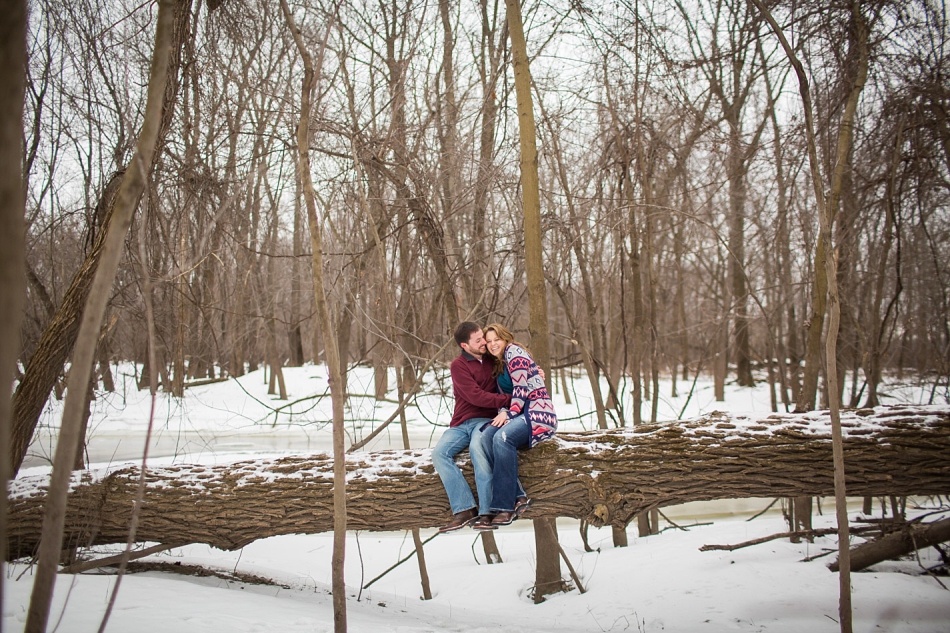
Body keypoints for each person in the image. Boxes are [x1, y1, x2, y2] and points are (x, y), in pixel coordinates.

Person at [432, 321, 512, 533]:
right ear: (465, 346)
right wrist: (509, 399)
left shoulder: (493, 360)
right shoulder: (458, 366)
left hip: (485, 421)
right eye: (478, 340)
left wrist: (534, 373)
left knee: (478, 449)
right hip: (460, 423)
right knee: (439, 454)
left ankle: (487, 511)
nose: (484, 342)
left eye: (482, 337)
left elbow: (517, 369)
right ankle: (465, 508)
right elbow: (475, 396)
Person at [478, 323, 557, 527]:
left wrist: (509, 414)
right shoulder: (498, 363)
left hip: (538, 413)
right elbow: (505, 396)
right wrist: (504, 411)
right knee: (486, 436)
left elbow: (521, 390)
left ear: (506, 339)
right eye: (489, 341)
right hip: (519, 413)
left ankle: (505, 507)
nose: (493, 344)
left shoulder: (515, 352)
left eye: (497, 339)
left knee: (502, 437)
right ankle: (519, 496)